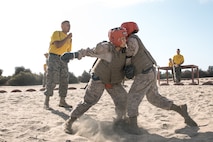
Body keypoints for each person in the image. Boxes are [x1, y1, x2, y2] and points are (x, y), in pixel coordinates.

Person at [120, 22, 197, 135]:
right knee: (154, 98)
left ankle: (133, 127)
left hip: (144, 73)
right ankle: (180, 110)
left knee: (132, 97)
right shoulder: (135, 39)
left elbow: (129, 55)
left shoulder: (131, 40)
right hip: (150, 71)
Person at [60, 27, 128, 134]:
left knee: (123, 99)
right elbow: (89, 52)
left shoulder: (126, 50)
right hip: (99, 79)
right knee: (88, 101)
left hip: (113, 81)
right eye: (122, 39)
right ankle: (70, 121)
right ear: (115, 39)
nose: (125, 41)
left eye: (125, 38)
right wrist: (74, 55)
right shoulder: (105, 49)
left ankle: (120, 121)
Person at [44, 20, 73, 109]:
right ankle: (46, 101)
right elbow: (58, 45)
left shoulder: (69, 39)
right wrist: (67, 37)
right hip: (54, 57)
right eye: (67, 25)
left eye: (69, 25)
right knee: (52, 79)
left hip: (63, 59)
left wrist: (69, 57)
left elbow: (68, 51)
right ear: (62, 26)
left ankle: (62, 101)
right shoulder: (57, 33)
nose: (69, 27)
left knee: (64, 80)